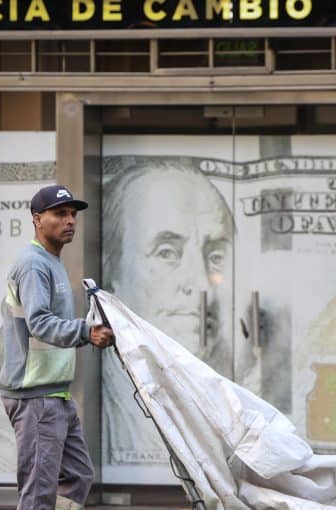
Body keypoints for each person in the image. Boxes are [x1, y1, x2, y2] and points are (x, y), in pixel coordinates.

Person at [0, 184, 114, 510]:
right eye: (58, 214)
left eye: (72, 215)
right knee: (39, 489)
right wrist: (87, 331)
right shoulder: (33, 264)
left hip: (55, 394)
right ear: (36, 218)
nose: (69, 221)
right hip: (35, 397)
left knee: (79, 476)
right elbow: (40, 324)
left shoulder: (51, 262)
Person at [100, 160, 237, 473]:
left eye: (215, 257)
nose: (202, 284)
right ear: (111, 273)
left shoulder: (232, 403)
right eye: (166, 252)